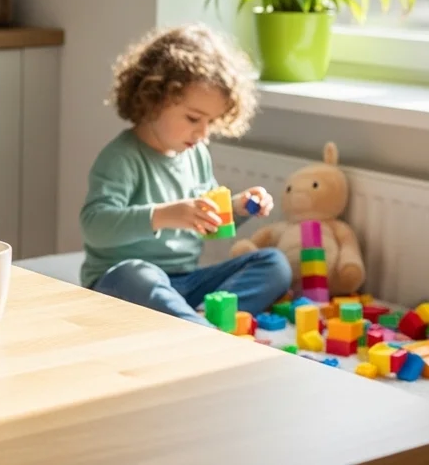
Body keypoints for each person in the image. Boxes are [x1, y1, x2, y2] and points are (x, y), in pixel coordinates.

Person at [79, 24, 290, 326]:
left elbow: (210, 222)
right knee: (138, 274)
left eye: (211, 122)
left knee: (274, 263)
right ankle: (196, 328)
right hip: (122, 284)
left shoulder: (196, 154)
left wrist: (239, 207)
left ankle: (200, 321)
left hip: (185, 283)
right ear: (154, 99)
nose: (203, 132)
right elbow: (94, 227)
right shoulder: (122, 157)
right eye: (193, 118)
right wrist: (164, 215)